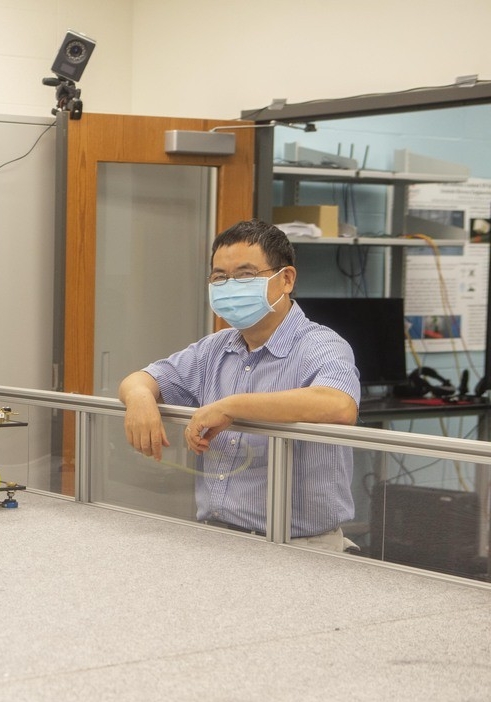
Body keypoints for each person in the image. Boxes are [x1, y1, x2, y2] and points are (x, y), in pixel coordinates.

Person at [118, 218, 360, 552]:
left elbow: (338, 406)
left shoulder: (320, 346)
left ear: (286, 279)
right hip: (217, 537)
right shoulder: (215, 348)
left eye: (246, 274)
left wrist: (232, 406)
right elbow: (141, 379)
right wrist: (140, 398)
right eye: (220, 277)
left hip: (299, 548)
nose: (230, 285)